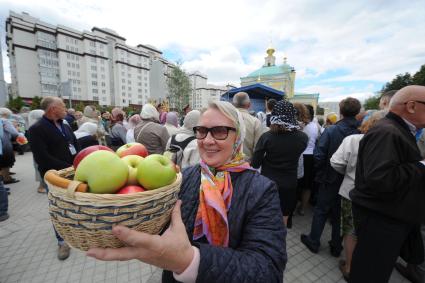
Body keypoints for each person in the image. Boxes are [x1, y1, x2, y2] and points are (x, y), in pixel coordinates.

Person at [87, 101, 287, 283]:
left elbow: (268, 270)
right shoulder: (186, 176)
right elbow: (163, 225)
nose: (207, 140)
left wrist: (189, 261)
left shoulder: (262, 190)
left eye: (219, 131)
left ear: (238, 139)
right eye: (201, 131)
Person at [349, 86, 425, 283]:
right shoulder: (388, 131)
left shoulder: (395, 129)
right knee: (370, 274)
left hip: (386, 217)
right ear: (411, 106)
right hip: (380, 220)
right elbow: (380, 179)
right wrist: (420, 166)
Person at [301, 97, 361, 257]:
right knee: (339, 214)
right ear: (357, 112)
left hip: (330, 178)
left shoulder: (332, 130)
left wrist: (321, 174)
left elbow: (319, 154)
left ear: (341, 111)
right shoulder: (361, 131)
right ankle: (336, 246)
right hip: (351, 181)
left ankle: (314, 241)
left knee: (321, 210)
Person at [330, 111, 386, 281]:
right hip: (379, 196)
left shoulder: (353, 140)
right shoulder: (390, 143)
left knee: (350, 230)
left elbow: (336, 162)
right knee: (369, 232)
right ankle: (367, 265)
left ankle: (349, 267)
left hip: (351, 191)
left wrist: (349, 174)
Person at [28, 96, 80, 261]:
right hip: (56, 177)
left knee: (75, 204)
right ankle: (62, 241)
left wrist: (80, 161)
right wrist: (67, 167)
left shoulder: (64, 124)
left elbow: (75, 144)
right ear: (52, 109)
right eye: (62, 106)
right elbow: (42, 157)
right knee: (58, 209)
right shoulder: (37, 129)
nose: (65, 108)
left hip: (74, 172)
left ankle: (78, 233)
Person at [252, 99, 308, 226]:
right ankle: (279, 241)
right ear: (292, 115)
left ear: (274, 115)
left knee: (265, 214)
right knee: (284, 215)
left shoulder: (266, 137)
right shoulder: (303, 138)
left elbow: (255, 164)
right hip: (289, 183)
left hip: (267, 183)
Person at [297, 104, 321, 216]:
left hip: (300, 155)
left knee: (297, 182)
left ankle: (292, 206)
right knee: (307, 185)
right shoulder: (316, 126)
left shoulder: (300, 125)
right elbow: (318, 140)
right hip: (311, 157)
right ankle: (302, 208)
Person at [232, 92, 263, 162]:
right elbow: (257, 149)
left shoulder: (226, 119)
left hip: (226, 165)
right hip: (246, 165)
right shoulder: (255, 122)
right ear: (249, 105)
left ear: (233, 105)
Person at [0, 108, 23, 184]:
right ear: (7, 114)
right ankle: (7, 179)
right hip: (5, 143)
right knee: (6, 162)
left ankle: (3, 177)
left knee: (2, 161)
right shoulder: (5, 121)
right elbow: (14, 132)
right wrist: (20, 133)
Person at [28, 109, 48, 193]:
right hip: (41, 152)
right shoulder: (36, 126)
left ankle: (42, 185)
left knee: (39, 168)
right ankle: (41, 186)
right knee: (40, 168)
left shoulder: (34, 125)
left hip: (41, 152)